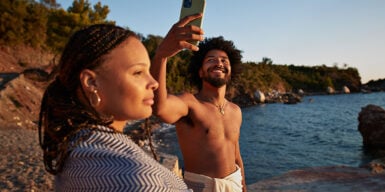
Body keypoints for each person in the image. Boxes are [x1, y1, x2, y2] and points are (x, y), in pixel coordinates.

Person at [38, 24, 192, 191]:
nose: (154, 83)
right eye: (138, 72)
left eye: (148, 71)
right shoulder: (140, 180)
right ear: (91, 82)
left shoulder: (75, 150)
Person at [151, 14, 246, 192]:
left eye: (224, 60)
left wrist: (243, 188)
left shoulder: (235, 110)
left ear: (231, 71)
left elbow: (236, 156)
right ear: (200, 72)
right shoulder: (190, 103)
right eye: (211, 60)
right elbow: (160, 108)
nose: (219, 62)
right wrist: (161, 56)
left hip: (234, 184)